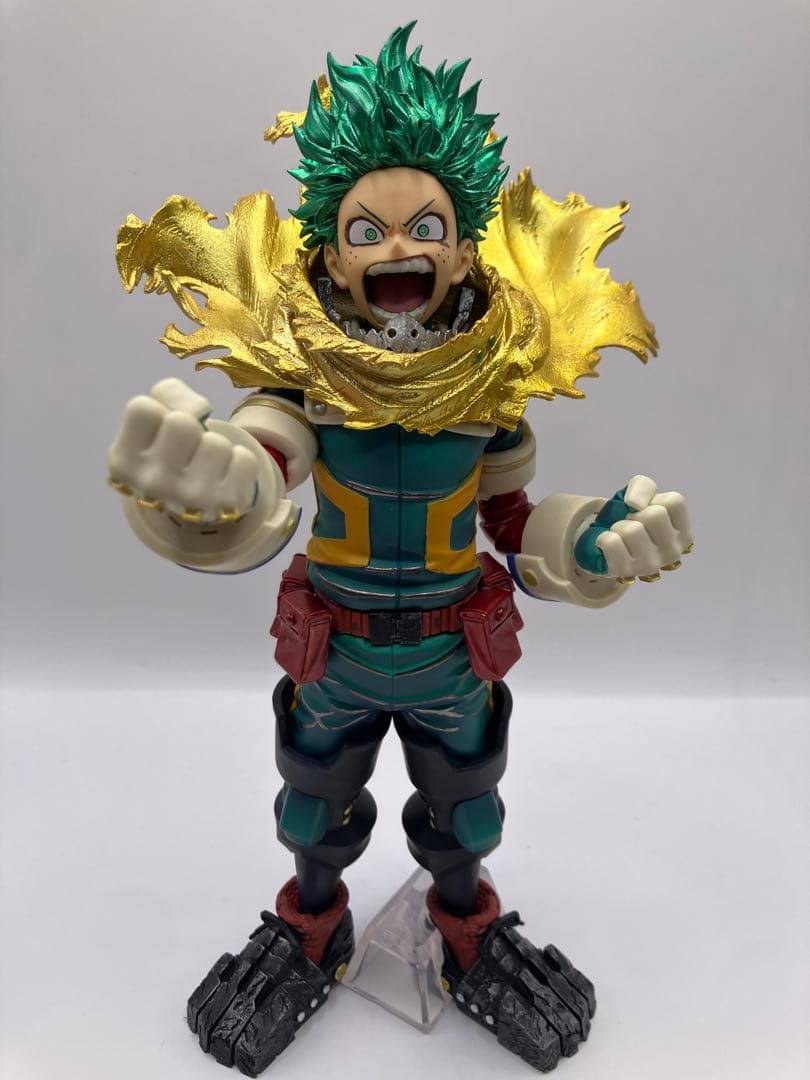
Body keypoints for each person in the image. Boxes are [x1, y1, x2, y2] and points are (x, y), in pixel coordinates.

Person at [108, 23, 693, 1076]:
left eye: (425, 226)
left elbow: (512, 523)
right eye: (364, 230)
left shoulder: (491, 394)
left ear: (465, 251)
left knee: (466, 809)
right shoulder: (305, 382)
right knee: (310, 807)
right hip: (332, 649)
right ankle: (312, 923)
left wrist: (589, 546)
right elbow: (265, 455)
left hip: (448, 653)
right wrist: (214, 489)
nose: (396, 251)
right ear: (330, 256)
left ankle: (468, 931)